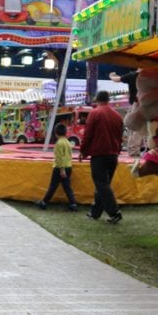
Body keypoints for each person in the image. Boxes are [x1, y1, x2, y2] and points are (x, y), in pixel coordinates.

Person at [80, 90, 124, 223]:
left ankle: (114, 212)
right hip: (113, 154)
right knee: (103, 185)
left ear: (97, 99)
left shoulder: (95, 113)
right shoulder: (117, 115)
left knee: (101, 184)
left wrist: (83, 151)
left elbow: (88, 134)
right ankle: (95, 212)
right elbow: (120, 136)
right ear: (108, 100)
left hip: (99, 154)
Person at [36, 122, 78, 211]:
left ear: (56, 133)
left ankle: (44, 202)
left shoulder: (59, 143)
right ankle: (73, 203)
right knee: (67, 187)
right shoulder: (67, 142)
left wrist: (61, 169)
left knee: (53, 186)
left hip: (59, 168)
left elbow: (59, 158)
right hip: (68, 166)